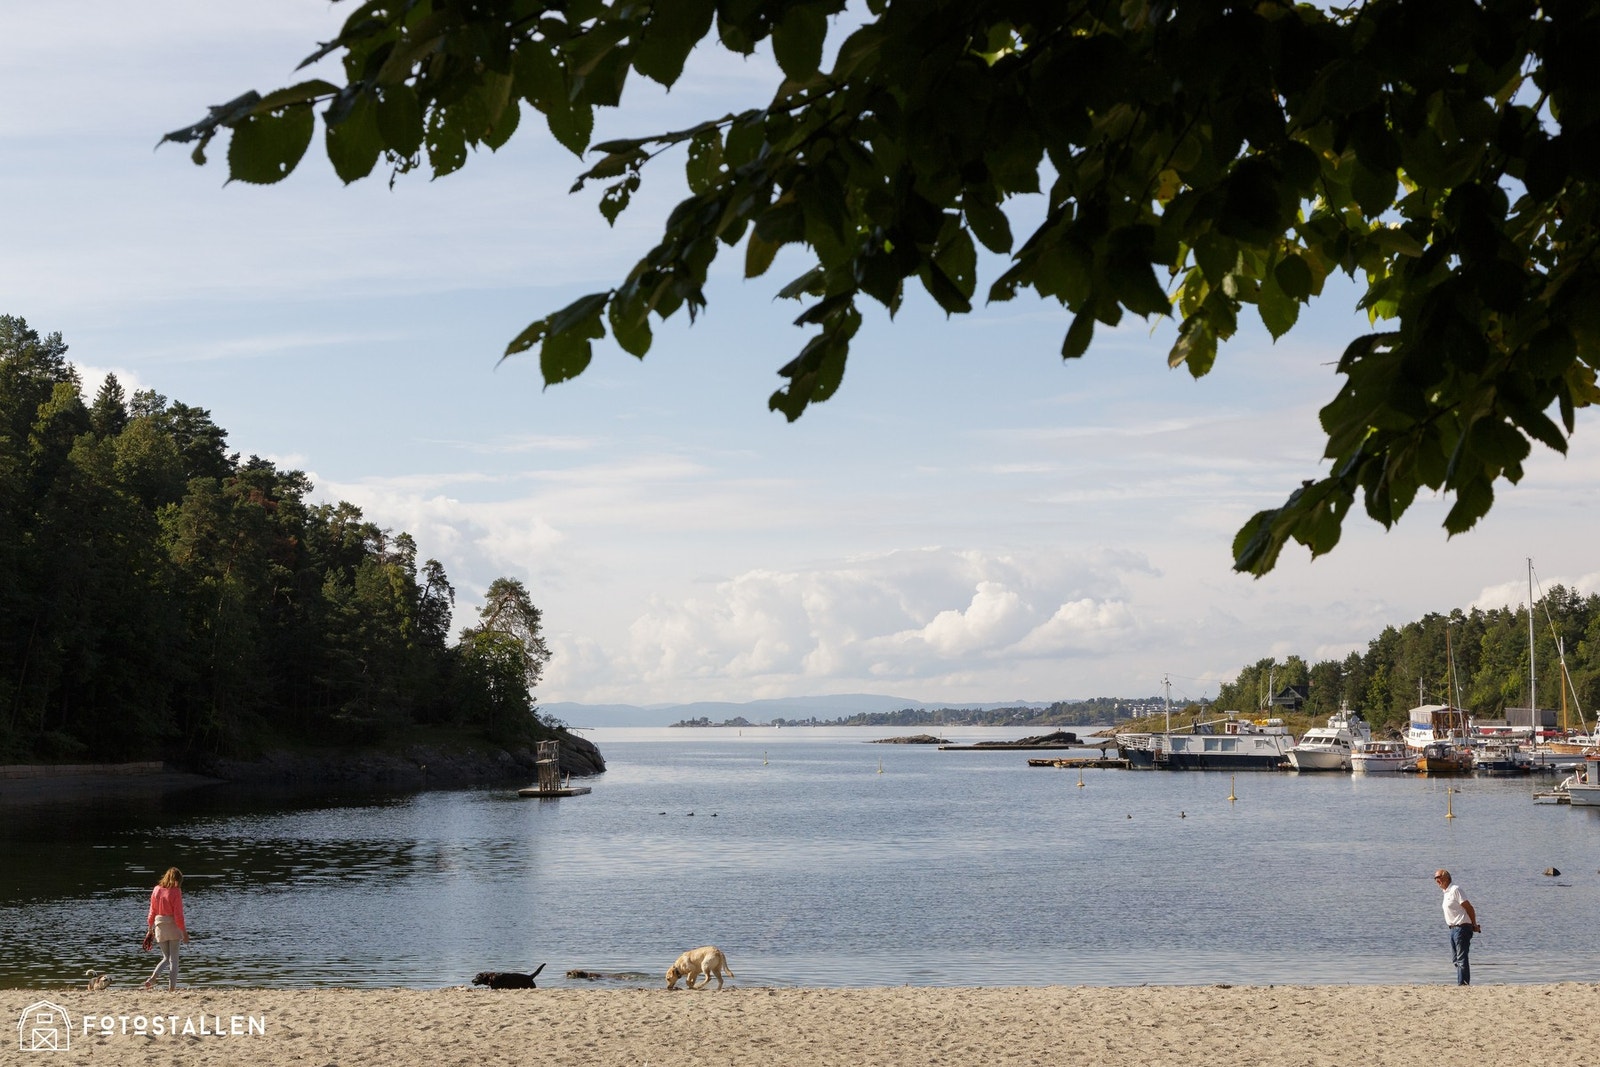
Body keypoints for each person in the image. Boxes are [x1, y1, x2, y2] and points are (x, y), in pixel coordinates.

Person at [144, 867, 190, 990]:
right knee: (174, 960)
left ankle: (153, 978)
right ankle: (172, 989)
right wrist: (184, 933)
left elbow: (152, 912)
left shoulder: (156, 890)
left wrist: (149, 929)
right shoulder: (176, 891)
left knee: (166, 957)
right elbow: (178, 915)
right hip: (173, 926)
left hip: (159, 926)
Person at [1433, 869, 1480, 985]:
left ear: (1446, 878)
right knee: (1456, 959)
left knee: (1461, 958)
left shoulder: (1455, 890)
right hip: (1453, 929)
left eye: (1438, 877)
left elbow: (1469, 908)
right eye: (1435, 878)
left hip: (1462, 928)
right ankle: (1462, 982)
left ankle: (1463, 984)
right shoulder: (1446, 892)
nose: (1436, 880)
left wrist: (1474, 924)